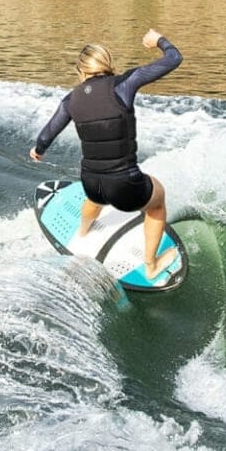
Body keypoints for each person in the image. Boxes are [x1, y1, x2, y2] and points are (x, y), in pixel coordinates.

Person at [29, 29, 183, 280]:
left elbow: (47, 134)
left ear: (81, 71)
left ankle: (82, 231)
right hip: (125, 188)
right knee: (158, 199)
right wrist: (159, 41)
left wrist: (38, 150)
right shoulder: (124, 84)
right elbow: (173, 59)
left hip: (91, 184)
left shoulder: (70, 100)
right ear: (107, 65)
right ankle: (150, 264)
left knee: (96, 194)